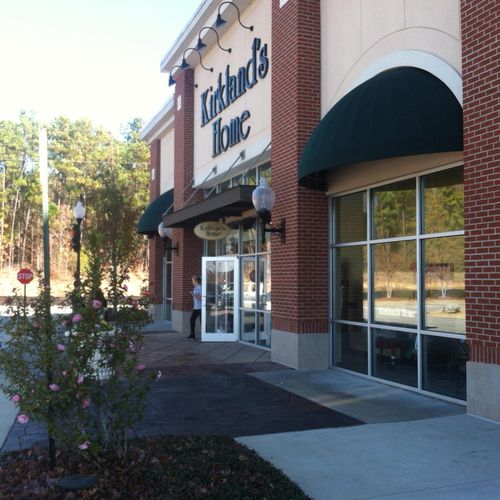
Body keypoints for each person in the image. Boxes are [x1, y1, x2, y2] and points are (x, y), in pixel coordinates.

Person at [187, 276, 202, 340]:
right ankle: (192, 335)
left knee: (202, 322)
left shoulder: (200, 287)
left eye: (193, 281)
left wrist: (193, 294)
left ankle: (206, 335)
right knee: (191, 320)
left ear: (196, 281)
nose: (192, 282)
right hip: (196, 308)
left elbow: (201, 298)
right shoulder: (195, 287)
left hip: (201, 308)